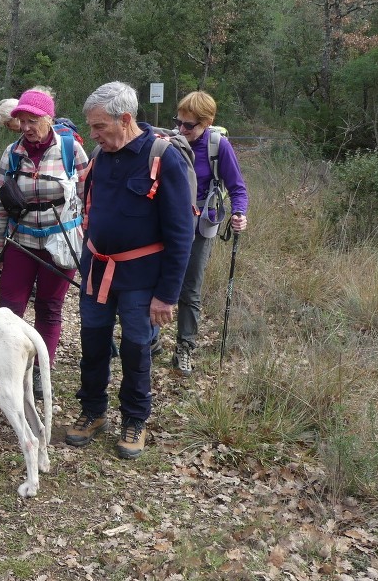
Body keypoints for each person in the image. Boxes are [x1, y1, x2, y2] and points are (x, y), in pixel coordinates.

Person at [65, 82, 194, 459]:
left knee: (137, 350)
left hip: (141, 280)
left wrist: (167, 294)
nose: (93, 135)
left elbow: (181, 235)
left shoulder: (163, 157)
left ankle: (134, 419)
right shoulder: (102, 155)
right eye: (91, 127)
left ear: (125, 119)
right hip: (96, 272)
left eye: (99, 126)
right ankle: (93, 410)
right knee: (92, 344)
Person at [0, 89, 88, 399]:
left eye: (32, 121)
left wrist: (86, 240)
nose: (26, 127)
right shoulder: (11, 153)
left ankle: (40, 370)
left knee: (49, 307)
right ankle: (6, 367)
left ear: (48, 119)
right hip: (20, 241)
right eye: (21, 121)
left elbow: (89, 199)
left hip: (60, 242)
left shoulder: (71, 150)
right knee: (9, 308)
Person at [170, 91, 248, 377]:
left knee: (190, 287)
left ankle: (184, 349)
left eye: (189, 125)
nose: (182, 129)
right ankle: (149, 341)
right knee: (155, 280)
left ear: (207, 122)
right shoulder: (172, 143)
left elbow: (237, 186)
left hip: (202, 224)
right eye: (178, 122)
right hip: (168, 222)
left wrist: (239, 213)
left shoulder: (219, 146)